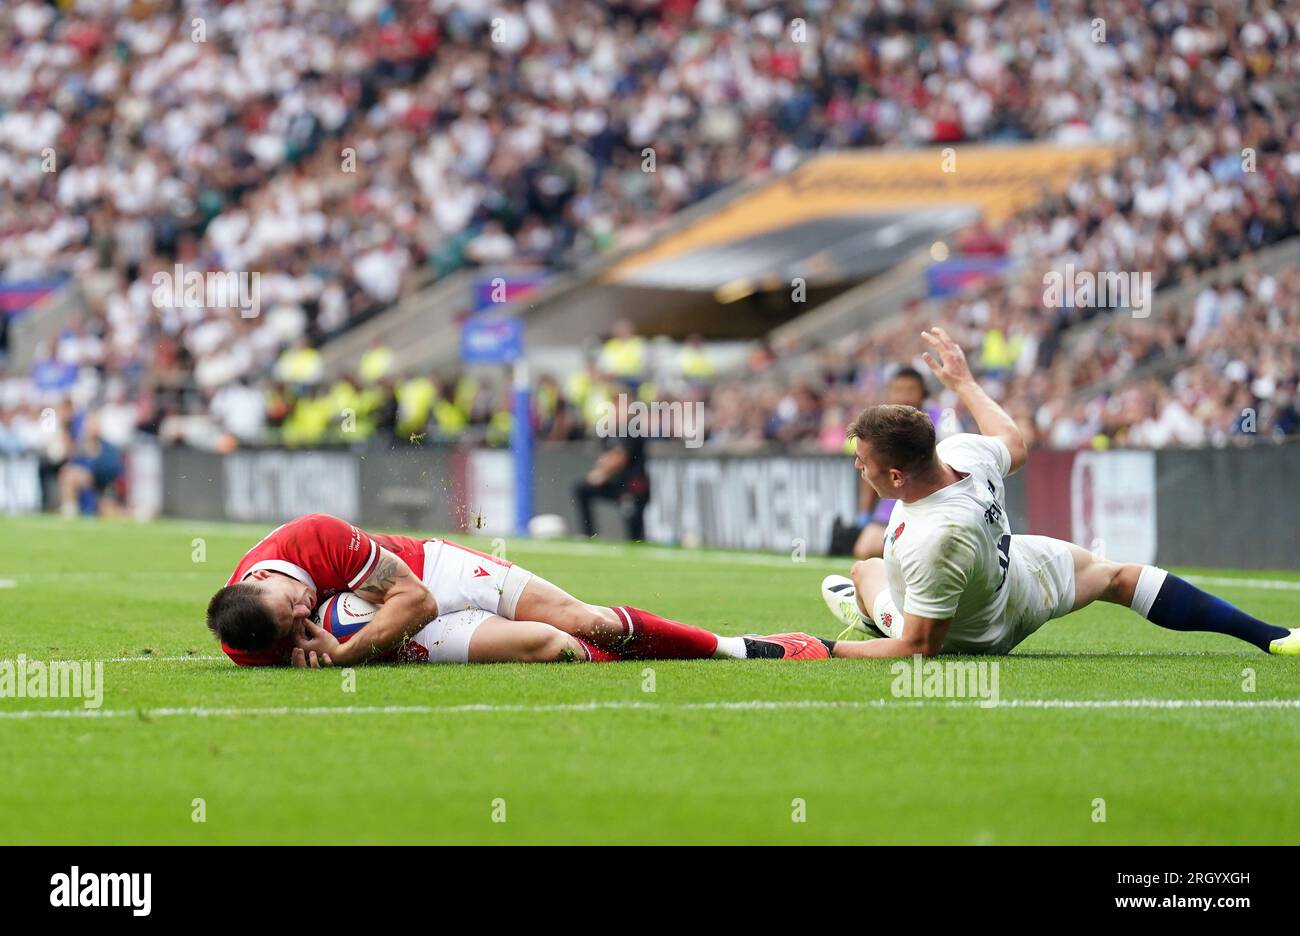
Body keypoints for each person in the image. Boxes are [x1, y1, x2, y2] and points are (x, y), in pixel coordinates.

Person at [820, 327, 1298, 657]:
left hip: (972, 635)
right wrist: (965, 383)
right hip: (1016, 583)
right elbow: (1014, 444)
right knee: (1116, 576)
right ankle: (1274, 636)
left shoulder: (935, 534)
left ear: (898, 476)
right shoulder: (963, 453)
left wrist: (826, 650)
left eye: (866, 462)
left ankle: (870, 611)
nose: (859, 467)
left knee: (865, 570)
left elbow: (919, 648)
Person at [207, 513, 829, 668]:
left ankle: (734, 647)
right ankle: (636, 658)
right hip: (394, 632)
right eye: (292, 628)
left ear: (268, 578)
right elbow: (282, 641)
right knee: (553, 647)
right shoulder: (247, 631)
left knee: (587, 622)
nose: (301, 618)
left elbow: (417, 599)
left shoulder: (314, 539)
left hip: (429, 573)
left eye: (295, 609)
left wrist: (343, 653)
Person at [851, 366, 954, 561]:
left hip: (929, 505)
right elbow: (870, 467)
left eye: (910, 390)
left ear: (923, 393)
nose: (903, 396)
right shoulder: (881, 424)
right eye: (898, 390)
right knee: (864, 550)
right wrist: (865, 512)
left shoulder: (942, 419)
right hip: (890, 509)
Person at [572, 393, 650, 541]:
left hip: (633, 485)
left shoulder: (633, 429)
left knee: (633, 527)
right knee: (582, 489)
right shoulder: (610, 430)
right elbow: (606, 456)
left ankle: (637, 540)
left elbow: (620, 457)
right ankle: (588, 535)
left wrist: (602, 473)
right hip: (617, 483)